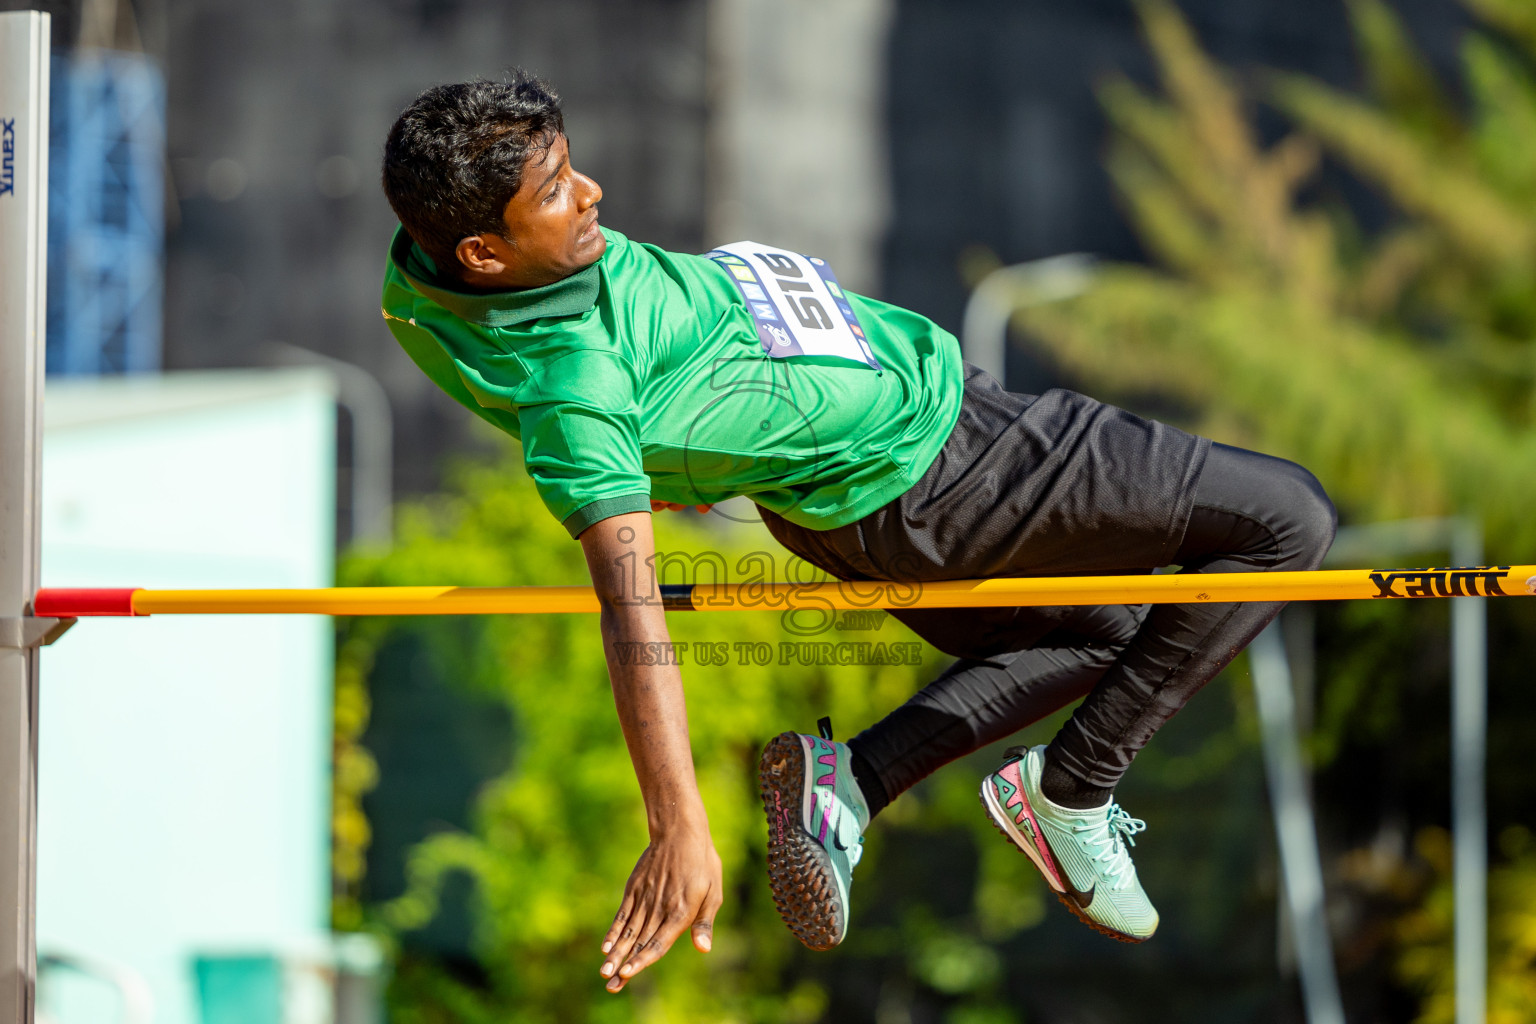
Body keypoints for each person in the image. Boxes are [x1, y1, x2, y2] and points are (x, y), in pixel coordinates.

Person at [379, 73, 1337, 988]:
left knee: (1120, 632)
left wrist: (683, 457)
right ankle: (1075, 791)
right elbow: (632, 614)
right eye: (555, 190)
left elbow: (461, 296)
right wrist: (677, 821)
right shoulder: (572, 389)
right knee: (1285, 521)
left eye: (571, 165)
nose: (592, 192)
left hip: (884, 482)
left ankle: (852, 787)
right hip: (946, 471)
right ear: (483, 254)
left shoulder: (430, 280)